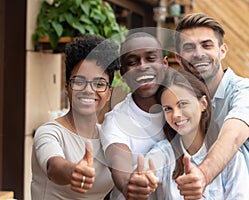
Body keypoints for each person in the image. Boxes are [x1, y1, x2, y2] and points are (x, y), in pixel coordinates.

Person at [174, 13, 249, 199]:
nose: (198, 54)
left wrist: (203, 174)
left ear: (222, 51)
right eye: (189, 47)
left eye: (207, 45)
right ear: (178, 57)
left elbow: (233, 135)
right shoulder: (183, 106)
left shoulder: (248, 92)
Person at [31, 35, 119, 199]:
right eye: (79, 81)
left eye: (99, 83)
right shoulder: (50, 133)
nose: (88, 90)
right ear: (67, 88)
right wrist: (73, 171)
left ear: (109, 93)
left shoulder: (108, 138)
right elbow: (54, 167)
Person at [141, 69, 249, 199]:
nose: (176, 115)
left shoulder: (232, 158)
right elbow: (146, 171)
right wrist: (142, 179)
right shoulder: (163, 152)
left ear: (203, 104)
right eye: (168, 109)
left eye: (183, 104)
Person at [100, 32, 168, 200]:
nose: (142, 66)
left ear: (165, 64)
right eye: (132, 62)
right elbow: (118, 160)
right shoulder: (116, 121)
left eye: (151, 58)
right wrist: (129, 182)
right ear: (123, 73)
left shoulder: (184, 109)